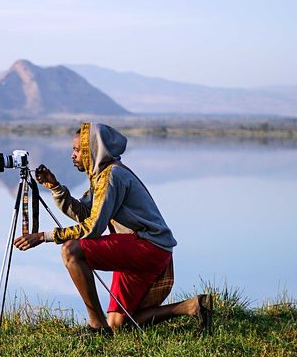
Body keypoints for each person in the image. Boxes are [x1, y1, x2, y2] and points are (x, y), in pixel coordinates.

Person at [13, 121, 212, 336]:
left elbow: (92, 228)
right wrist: (55, 188)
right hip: (142, 247)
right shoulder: (101, 176)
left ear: (93, 150)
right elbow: (85, 213)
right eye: (74, 150)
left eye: (78, 150)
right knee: (118, 323)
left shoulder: (112, 176)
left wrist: (44, 236)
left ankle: (96, 326)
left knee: (71, 250)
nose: (73, 155)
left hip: (148, 246)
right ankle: (192, 306)